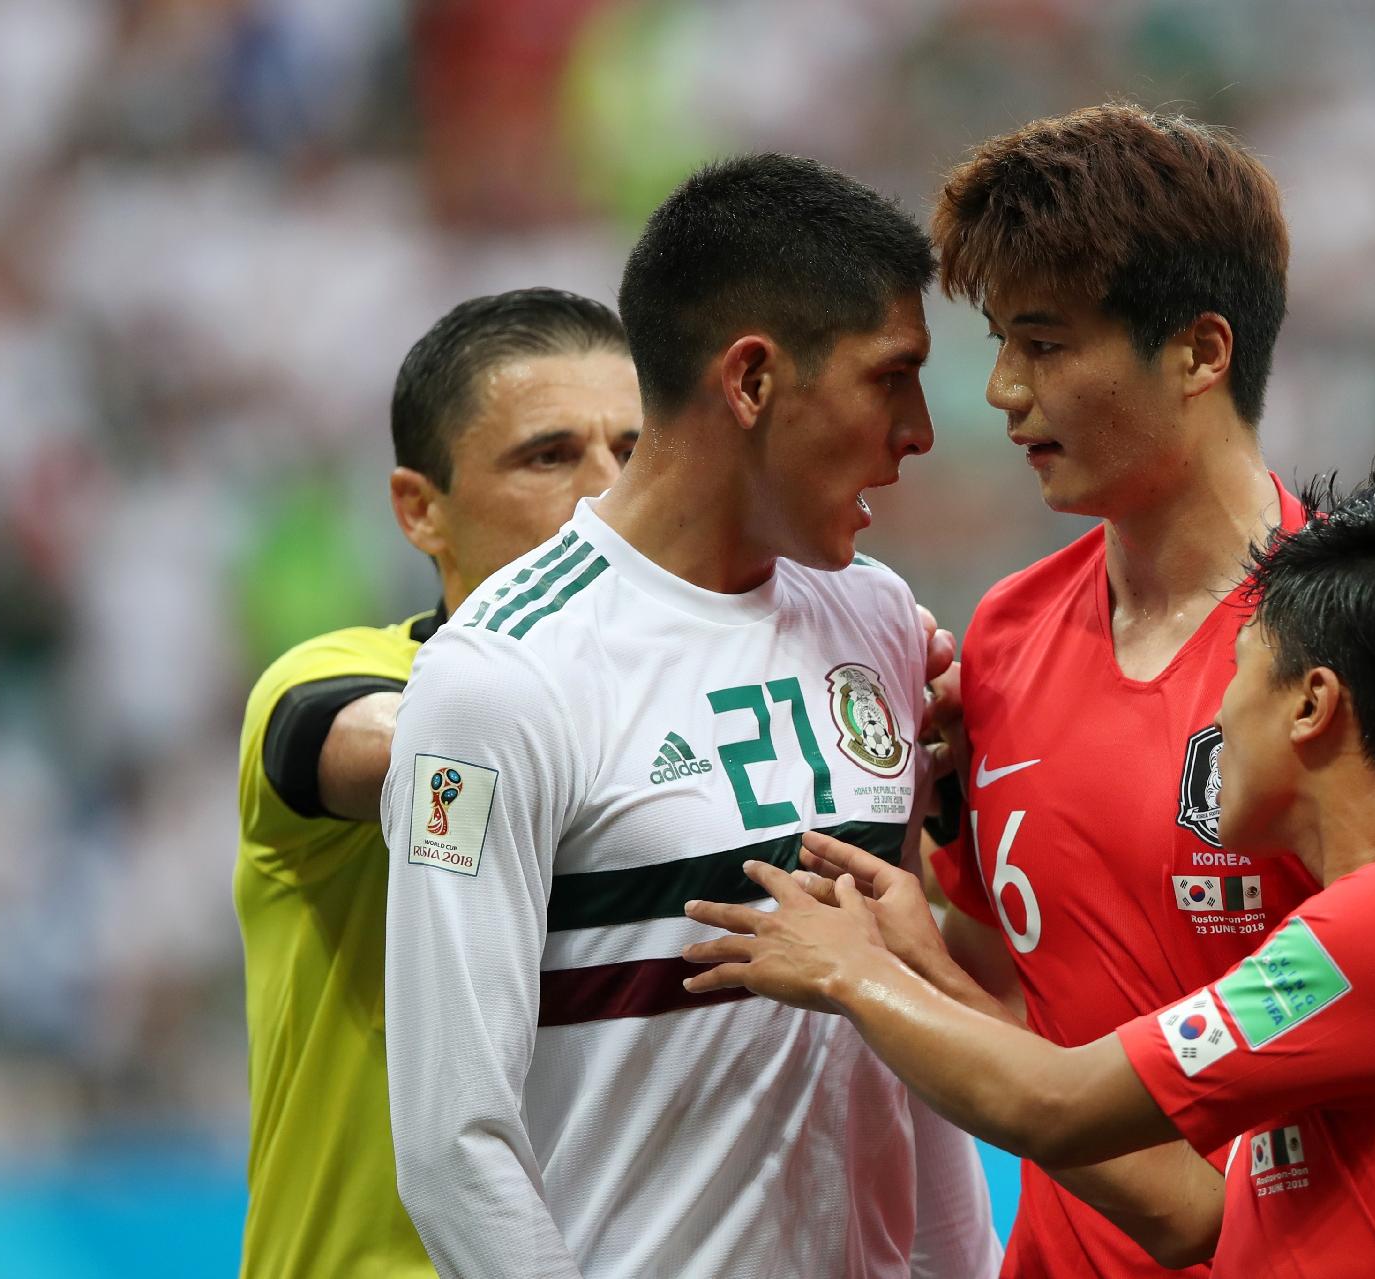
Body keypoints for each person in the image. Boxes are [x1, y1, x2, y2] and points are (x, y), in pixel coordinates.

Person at [685, 457, 1375, 1278]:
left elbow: (1056, 1104)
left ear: (1313, 704)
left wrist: (850, 969)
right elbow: (1190, 1213)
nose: (1219, 710)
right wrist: (924, 966)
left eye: (1243, 669)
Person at [920, 105, 1375, 1274]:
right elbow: (998, 969)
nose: (1002, 390)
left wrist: (874, 963)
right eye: (1002, 341)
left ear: (1202, 352)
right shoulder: (1000, 637)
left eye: (1046, 345)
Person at [379, 154, 1000, 1279]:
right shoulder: (499, 677)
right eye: (889, 377)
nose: (919, 430)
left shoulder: (878, 622)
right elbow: (450, 1142)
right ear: (752, 380)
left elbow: (912, 1035)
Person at [234, 287, 643, 1279]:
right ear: (422, 509)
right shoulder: (339, 677)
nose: (607, 493)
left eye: (634, 452)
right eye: (551, 455)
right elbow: (380, 747)